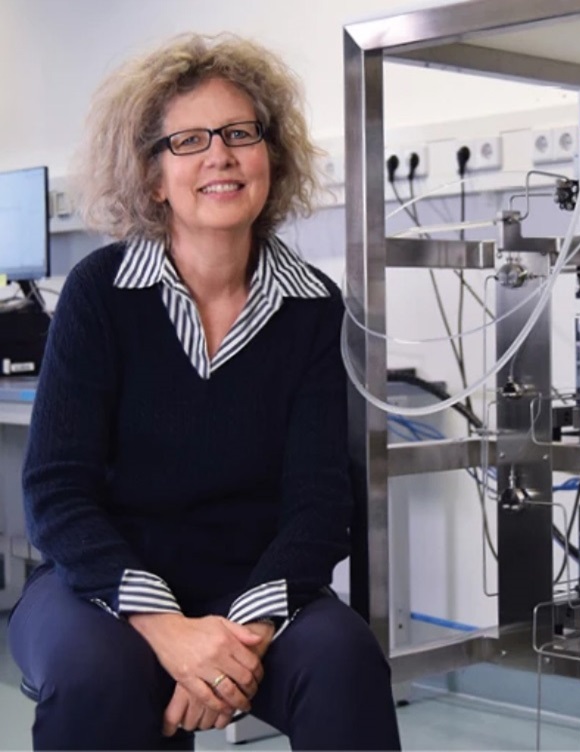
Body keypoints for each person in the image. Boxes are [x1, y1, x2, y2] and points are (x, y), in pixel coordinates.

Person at [8, 32, 401, 751]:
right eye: (188, 141)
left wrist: (231, 646)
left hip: (253, 589)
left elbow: (319, 504)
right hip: (96, 586)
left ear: (270, 158)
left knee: (344, 663)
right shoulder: (100, 293)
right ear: (154, 177)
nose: (219, 155)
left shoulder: (316, 309)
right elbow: (56, 492)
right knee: (99, 676)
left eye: (239, 134)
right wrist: (169, 631)